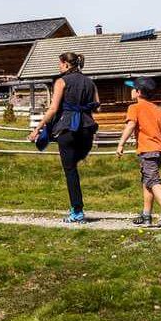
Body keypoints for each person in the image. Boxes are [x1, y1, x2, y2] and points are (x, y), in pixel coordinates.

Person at [28, 51, 99, 223]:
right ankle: (76, 207)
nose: (58, 67)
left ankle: (77, 210)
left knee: (70, 170)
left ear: (66, 64)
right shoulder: (90, 82)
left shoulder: (61, 81)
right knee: (74, 164)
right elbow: (97, 105)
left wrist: (37, 128)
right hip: (87, 128)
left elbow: (53, 110)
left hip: (67, 129)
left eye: (60, 64)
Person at [115, 76, 161, 228]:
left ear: (138, 92)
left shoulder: (134, 108)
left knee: (153, 181)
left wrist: (120, 144)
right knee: (147, 181)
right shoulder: (158, 109)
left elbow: (130, 126)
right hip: (159, 150)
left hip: (147, 151)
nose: (130, 91)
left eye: (132, 88)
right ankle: (146, 216)